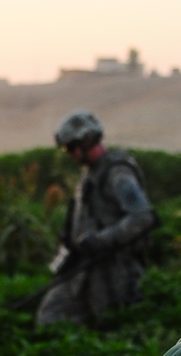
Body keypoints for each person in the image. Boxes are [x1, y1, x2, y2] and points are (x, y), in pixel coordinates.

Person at [36, 109, 157, 327]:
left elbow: (142, 216)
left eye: (71, 147)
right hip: (85, 267)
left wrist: (102, 239)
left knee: (110, 324)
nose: (69, 154)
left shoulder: (117, 173)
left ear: (87, 141)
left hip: (114, 269)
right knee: (51, 316)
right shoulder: (89, 174)